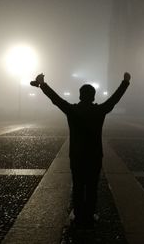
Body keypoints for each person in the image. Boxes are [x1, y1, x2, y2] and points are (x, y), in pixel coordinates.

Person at [31, 72, 131, 228]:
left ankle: (78, 215)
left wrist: (42, 84)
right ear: (93, 97)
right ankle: (90, 215)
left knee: (78, 185)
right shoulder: (100, 110)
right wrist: (125, 82)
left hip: (77, 155)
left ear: (80, 96)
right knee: (92, 186)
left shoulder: (72, 110)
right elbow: (115, 99)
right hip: (95, 155)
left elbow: (55, 99)